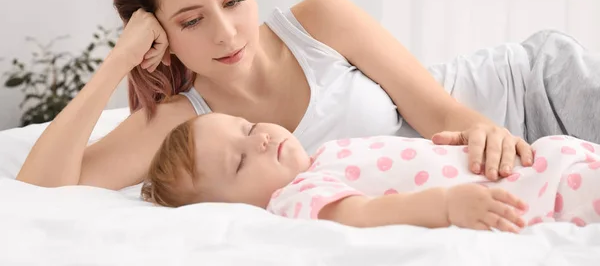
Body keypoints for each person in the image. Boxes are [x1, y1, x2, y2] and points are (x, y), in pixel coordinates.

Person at [15, 0, 600, 191]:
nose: (225, 33)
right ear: (158, 35)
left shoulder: (318, 21)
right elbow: (42, 188)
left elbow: (437, 107)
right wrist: (118, 61)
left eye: (234, 0)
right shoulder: (181, 126)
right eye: (191, 20)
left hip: (527, 95)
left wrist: (485, 133)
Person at [140, 112, 600, 232]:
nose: (259, 139)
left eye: (247, 127)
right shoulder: (295, 197)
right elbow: (362, 214)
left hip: (546, 158)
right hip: (547, 193)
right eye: (240, 162)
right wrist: (445, 204)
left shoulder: (323, 154)